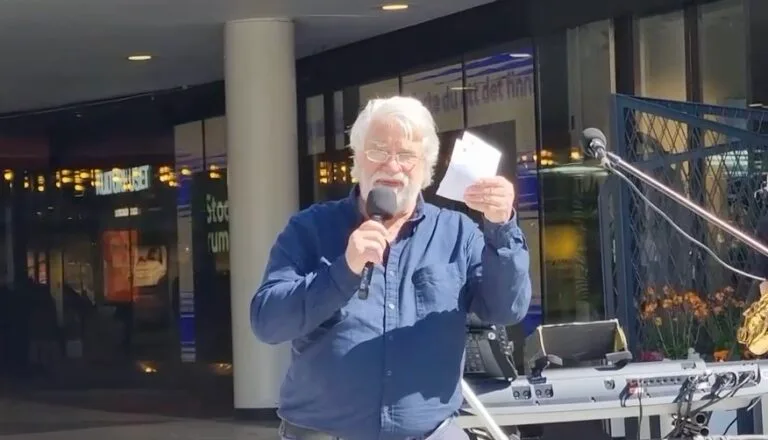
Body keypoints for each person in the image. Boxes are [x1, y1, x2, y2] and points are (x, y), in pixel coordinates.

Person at [251, 96, 532, 440]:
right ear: (357, 159)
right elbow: (267, 322)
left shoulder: (456, 233)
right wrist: (343, 271)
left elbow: (507, 309)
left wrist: (501, 228)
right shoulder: (310, 229)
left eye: (406, 155)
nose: (392, 166)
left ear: (426, 166)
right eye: (378, 151)